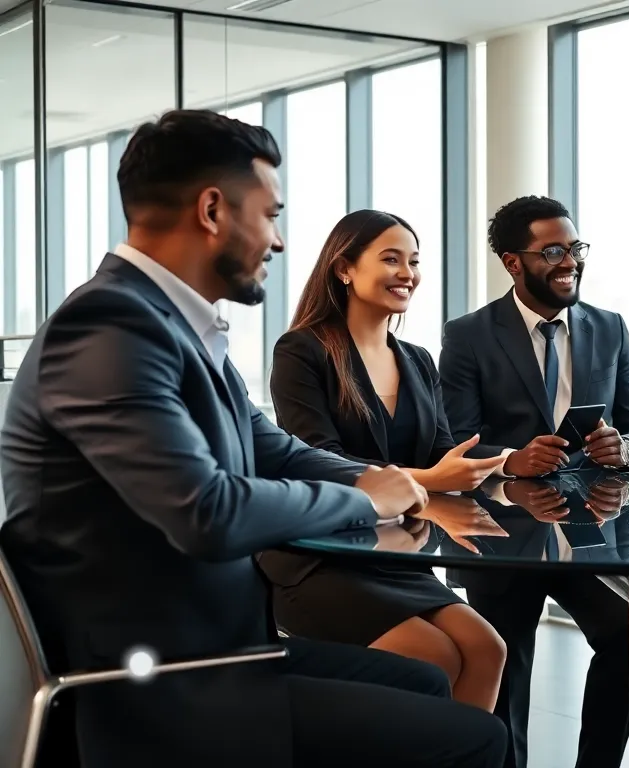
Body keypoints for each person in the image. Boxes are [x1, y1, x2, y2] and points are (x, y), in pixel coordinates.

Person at [0, 110, 505, 767]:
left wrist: (380, 482)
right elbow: (206, 513)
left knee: (429, 679)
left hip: (211, 646)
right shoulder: (109, 328)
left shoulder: (174, 327)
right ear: (213, 210)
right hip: (152, 683)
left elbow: (273, 449)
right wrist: (368, 500)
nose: (279, 242)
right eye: (270, 215)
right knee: (476, 739)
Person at [438, 194, 629, 768]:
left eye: (576, 247)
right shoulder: (468, 335)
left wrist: (627, 447)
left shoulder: (609, 327)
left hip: (593, 530)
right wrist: (512, 459)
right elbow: (451, 440)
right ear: (514, 263)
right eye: (554, 251)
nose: (571, 262)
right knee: (506, 668)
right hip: (500, 533)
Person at [263, 209, 508, 711]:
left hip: (396, 553)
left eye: (414, 261)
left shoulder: (417, 359)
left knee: (487, 648)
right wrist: (427, 479)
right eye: (391, 259)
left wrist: (506, 461)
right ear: (344, 268)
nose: (408, 273)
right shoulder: (302, 351)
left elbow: (443, 454)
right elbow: (317, 459)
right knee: (432, 656)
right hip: (320, 558)